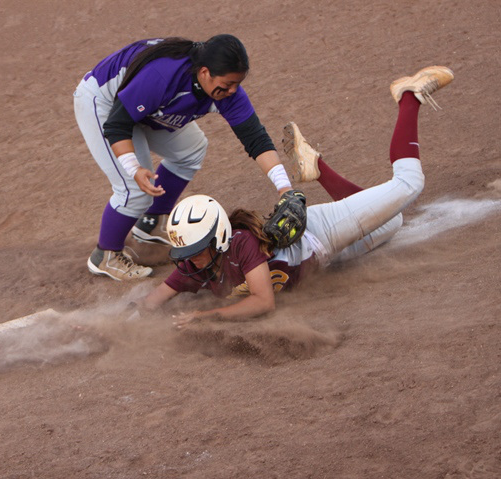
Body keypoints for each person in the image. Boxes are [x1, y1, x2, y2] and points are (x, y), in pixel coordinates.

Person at [141, 66, 455, 328]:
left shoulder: (240, 244)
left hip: (323, 232)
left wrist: (205, 317)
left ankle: (409, 96)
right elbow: (152, 302)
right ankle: (317, 167)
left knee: (409, 183)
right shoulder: (196, 264)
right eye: (187, 252)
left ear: (219, 237)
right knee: (393, 221)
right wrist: (126, 324)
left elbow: (263, 302)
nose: (190, 259)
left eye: (196, 250)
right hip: (324, 259)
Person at [74, 35, 296, 281]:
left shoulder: (225, 91)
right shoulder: (162, 76)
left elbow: (255, 138)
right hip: (104, 102)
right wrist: (134, 168)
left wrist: (284, 189)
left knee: (191, 149)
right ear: (204, 73)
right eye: (228, 84)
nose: (233, 91)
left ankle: (151, 223)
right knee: (135, 190)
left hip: (145, 106)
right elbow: (117, 124)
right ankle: (106, 254)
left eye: (237, 84)